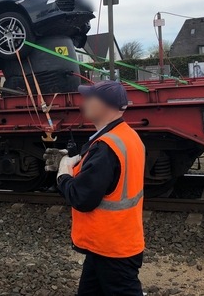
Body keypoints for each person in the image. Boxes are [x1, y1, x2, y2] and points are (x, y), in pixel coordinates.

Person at [56, 81, 145, 295]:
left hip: (112, 249)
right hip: (111, 242)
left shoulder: (106, 147)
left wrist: (63, 174)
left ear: (105, 105)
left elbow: (82, 198)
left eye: (89, 98)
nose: (83, 102)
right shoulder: (128, 136)